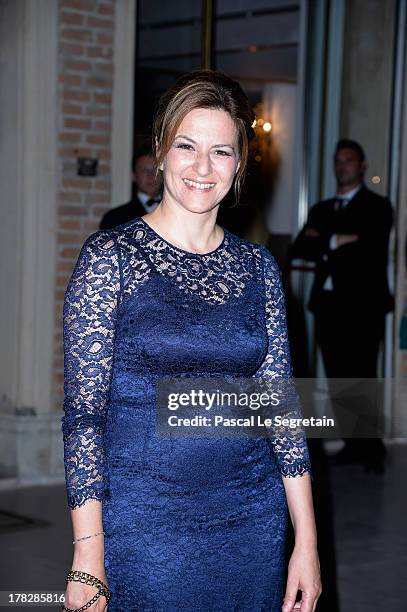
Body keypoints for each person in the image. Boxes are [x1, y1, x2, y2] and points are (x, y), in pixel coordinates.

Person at [61, 69, 321, 612]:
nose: (203, 168)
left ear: (240, 164)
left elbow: (281, 409)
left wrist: (308, 544)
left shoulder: (258, 268)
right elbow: (85, 416)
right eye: (186, 146)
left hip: (254, 522)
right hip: (145, 529)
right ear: (160, 150)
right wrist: (88, 556)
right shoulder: (110, 258)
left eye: (221, 152)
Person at [291, 139, 393, 472]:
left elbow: (370, 250)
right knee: (337, 377)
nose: (341, 166)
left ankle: (372, 451)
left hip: (364, 306)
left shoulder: (378, 207)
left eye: (348, 160)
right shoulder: (321, 209)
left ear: (361, 167)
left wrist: (322, 241)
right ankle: (352, 446)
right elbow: (298, 250)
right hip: (329, 306)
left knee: (362, 376)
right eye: (338, 161)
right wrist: (338, 240)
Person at [99, 147, 162, 229]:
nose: (151, 175)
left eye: (155, 170)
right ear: (133, 175)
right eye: (144, 170)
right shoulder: (114, 218)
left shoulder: (177, 213)